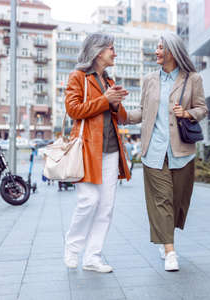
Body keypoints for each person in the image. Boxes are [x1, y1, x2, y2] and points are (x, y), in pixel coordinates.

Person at [125, 32, 208, 271]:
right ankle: (170, 251)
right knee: (161, 200)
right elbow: (142, 112)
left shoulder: (192, 79)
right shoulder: (150, 79)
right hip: (153, 150)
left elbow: (202, 108)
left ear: (171, 51)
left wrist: (188, 113)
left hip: (181, 150)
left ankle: (165, 238)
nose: (156, 52)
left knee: (176, 201)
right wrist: (121, 114)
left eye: (160, 48)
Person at [63, 33, 131, 273]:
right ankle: (72, 247)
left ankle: (93, 256)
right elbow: (73, 109)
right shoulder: (78, 77)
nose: (115, 53)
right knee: (88, 201)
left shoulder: (109, 81)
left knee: (106, 206)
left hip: (111, 150)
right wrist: (105, 100)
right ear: (97, 51)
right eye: (111, 48)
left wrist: (115, 103)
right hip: (87, 149)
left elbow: (120, 117)